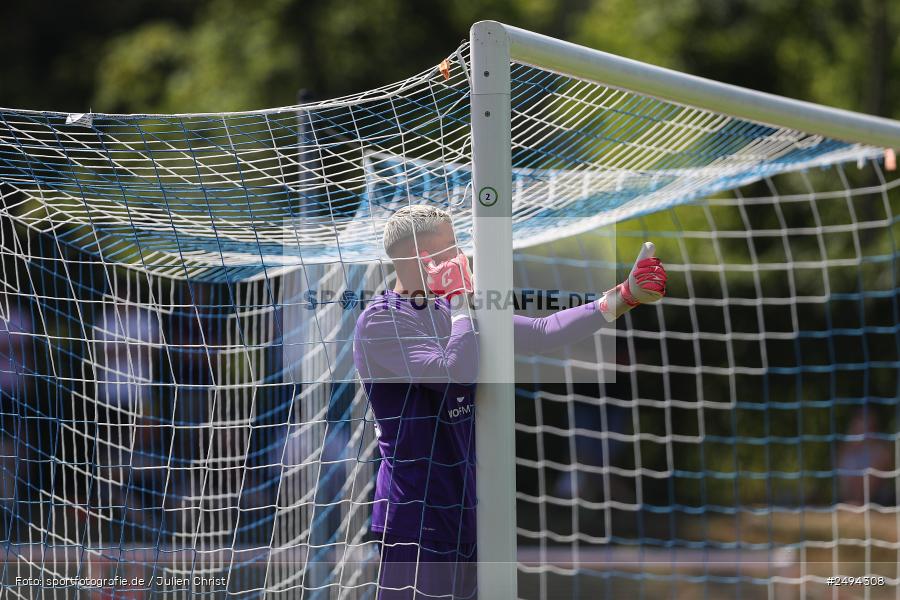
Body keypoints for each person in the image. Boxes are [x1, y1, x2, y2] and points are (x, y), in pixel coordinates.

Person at [353, 205, 667, 599]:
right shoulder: (382, 321)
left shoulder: (451, 308)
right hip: (415, 515)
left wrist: (625, 296)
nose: (459, 258)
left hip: (465, 509)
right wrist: (461, 304)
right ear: (417, 257)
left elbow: (542, 331)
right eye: (448, 248)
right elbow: (456, 370)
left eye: (457, 245)